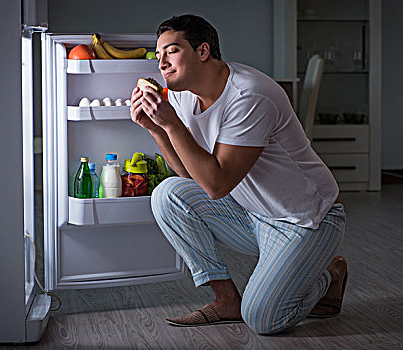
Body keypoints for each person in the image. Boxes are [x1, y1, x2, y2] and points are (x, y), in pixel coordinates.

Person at [130, 14, 347, 335]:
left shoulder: (249, 96)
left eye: (171, 51)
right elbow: (190, 177)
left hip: (306, 221)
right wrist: (157, 130)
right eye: (158, 54)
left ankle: (329, 273)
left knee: (263, 320)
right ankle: (226, 299)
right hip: (250, 212)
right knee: (169, 194)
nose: (161, 62)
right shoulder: (181, 92)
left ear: (203, 51)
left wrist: (172, 124)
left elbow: (216, 185)